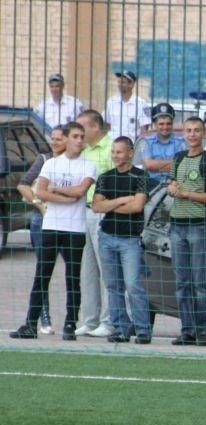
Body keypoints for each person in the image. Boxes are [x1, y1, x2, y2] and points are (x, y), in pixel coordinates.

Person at [9, 122, 95, 341]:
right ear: (66, 139)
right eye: (75, 136)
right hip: (52, 226)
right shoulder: (51, 164)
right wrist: (63, 195)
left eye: (82, 136)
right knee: (42, 276)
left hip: (74, 229)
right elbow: (41, 192)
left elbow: (80, 191)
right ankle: (30, 323)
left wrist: (56, 190)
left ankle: (70, 323)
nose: (79, 140)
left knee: (72, 278)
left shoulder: (88, 165)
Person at [167, 117, 206, 346]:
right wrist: (172, 189)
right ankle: (187, 330)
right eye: (188, 130)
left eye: (196, 130)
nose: (192, 134)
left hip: (198, 225)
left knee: (201, 282)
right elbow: (172, 185)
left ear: (203, 133)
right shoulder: (178, 159)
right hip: (177, 225)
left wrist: (186, 194)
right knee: (182, 283)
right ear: (183, 134)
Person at [92, 136, 152, 344]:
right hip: (107, 236)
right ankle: (121, 328)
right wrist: (122, 200)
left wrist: (111, 204)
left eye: (119, 152)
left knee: (133, 284)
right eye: (113, 152)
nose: (116, 156)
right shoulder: (105, 177)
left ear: (130, 153)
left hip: (130, 240)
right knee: (113, 286)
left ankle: (143, 329)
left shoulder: (141, 176)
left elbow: (137, 207)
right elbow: (96, 206)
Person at [16, 126, 67, 334]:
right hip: (42, 219)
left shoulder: (72, 163)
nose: (55, 142)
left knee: (73, 269)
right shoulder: (44, 159)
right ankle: (43, 316)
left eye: (59, 139)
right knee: (43, 270)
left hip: (67, 220)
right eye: (53, 139)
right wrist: (39, 204)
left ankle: (74, 318)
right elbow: (23, 185)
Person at [75, 109, 115, 338]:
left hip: (103, 212)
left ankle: (108, 321)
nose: (80, 133)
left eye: (83, 128)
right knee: (87, 270)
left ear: (95, 127)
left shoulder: (110, 149)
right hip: (85, 210)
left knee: (106, 268)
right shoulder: (84, 151)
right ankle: (89, 320)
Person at [141, 102, 186, 184]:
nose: (165, 127)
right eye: (161, 124)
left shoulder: (181, 142)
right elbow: (149, 165)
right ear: (155, 124)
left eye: (168, 124)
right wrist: (173, 163)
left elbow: (182, 166)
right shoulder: (146, 142)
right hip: (151, 184)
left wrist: (156, 165)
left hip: (175, 184)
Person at [104, 70, 151, 142]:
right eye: (119, 82)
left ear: (131, 84)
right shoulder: (111, 102)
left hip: (130, 145)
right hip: (112, 145)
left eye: (123, 82)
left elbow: (144, 130)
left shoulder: (141, 104)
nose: (119, 84)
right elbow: (107, 125)